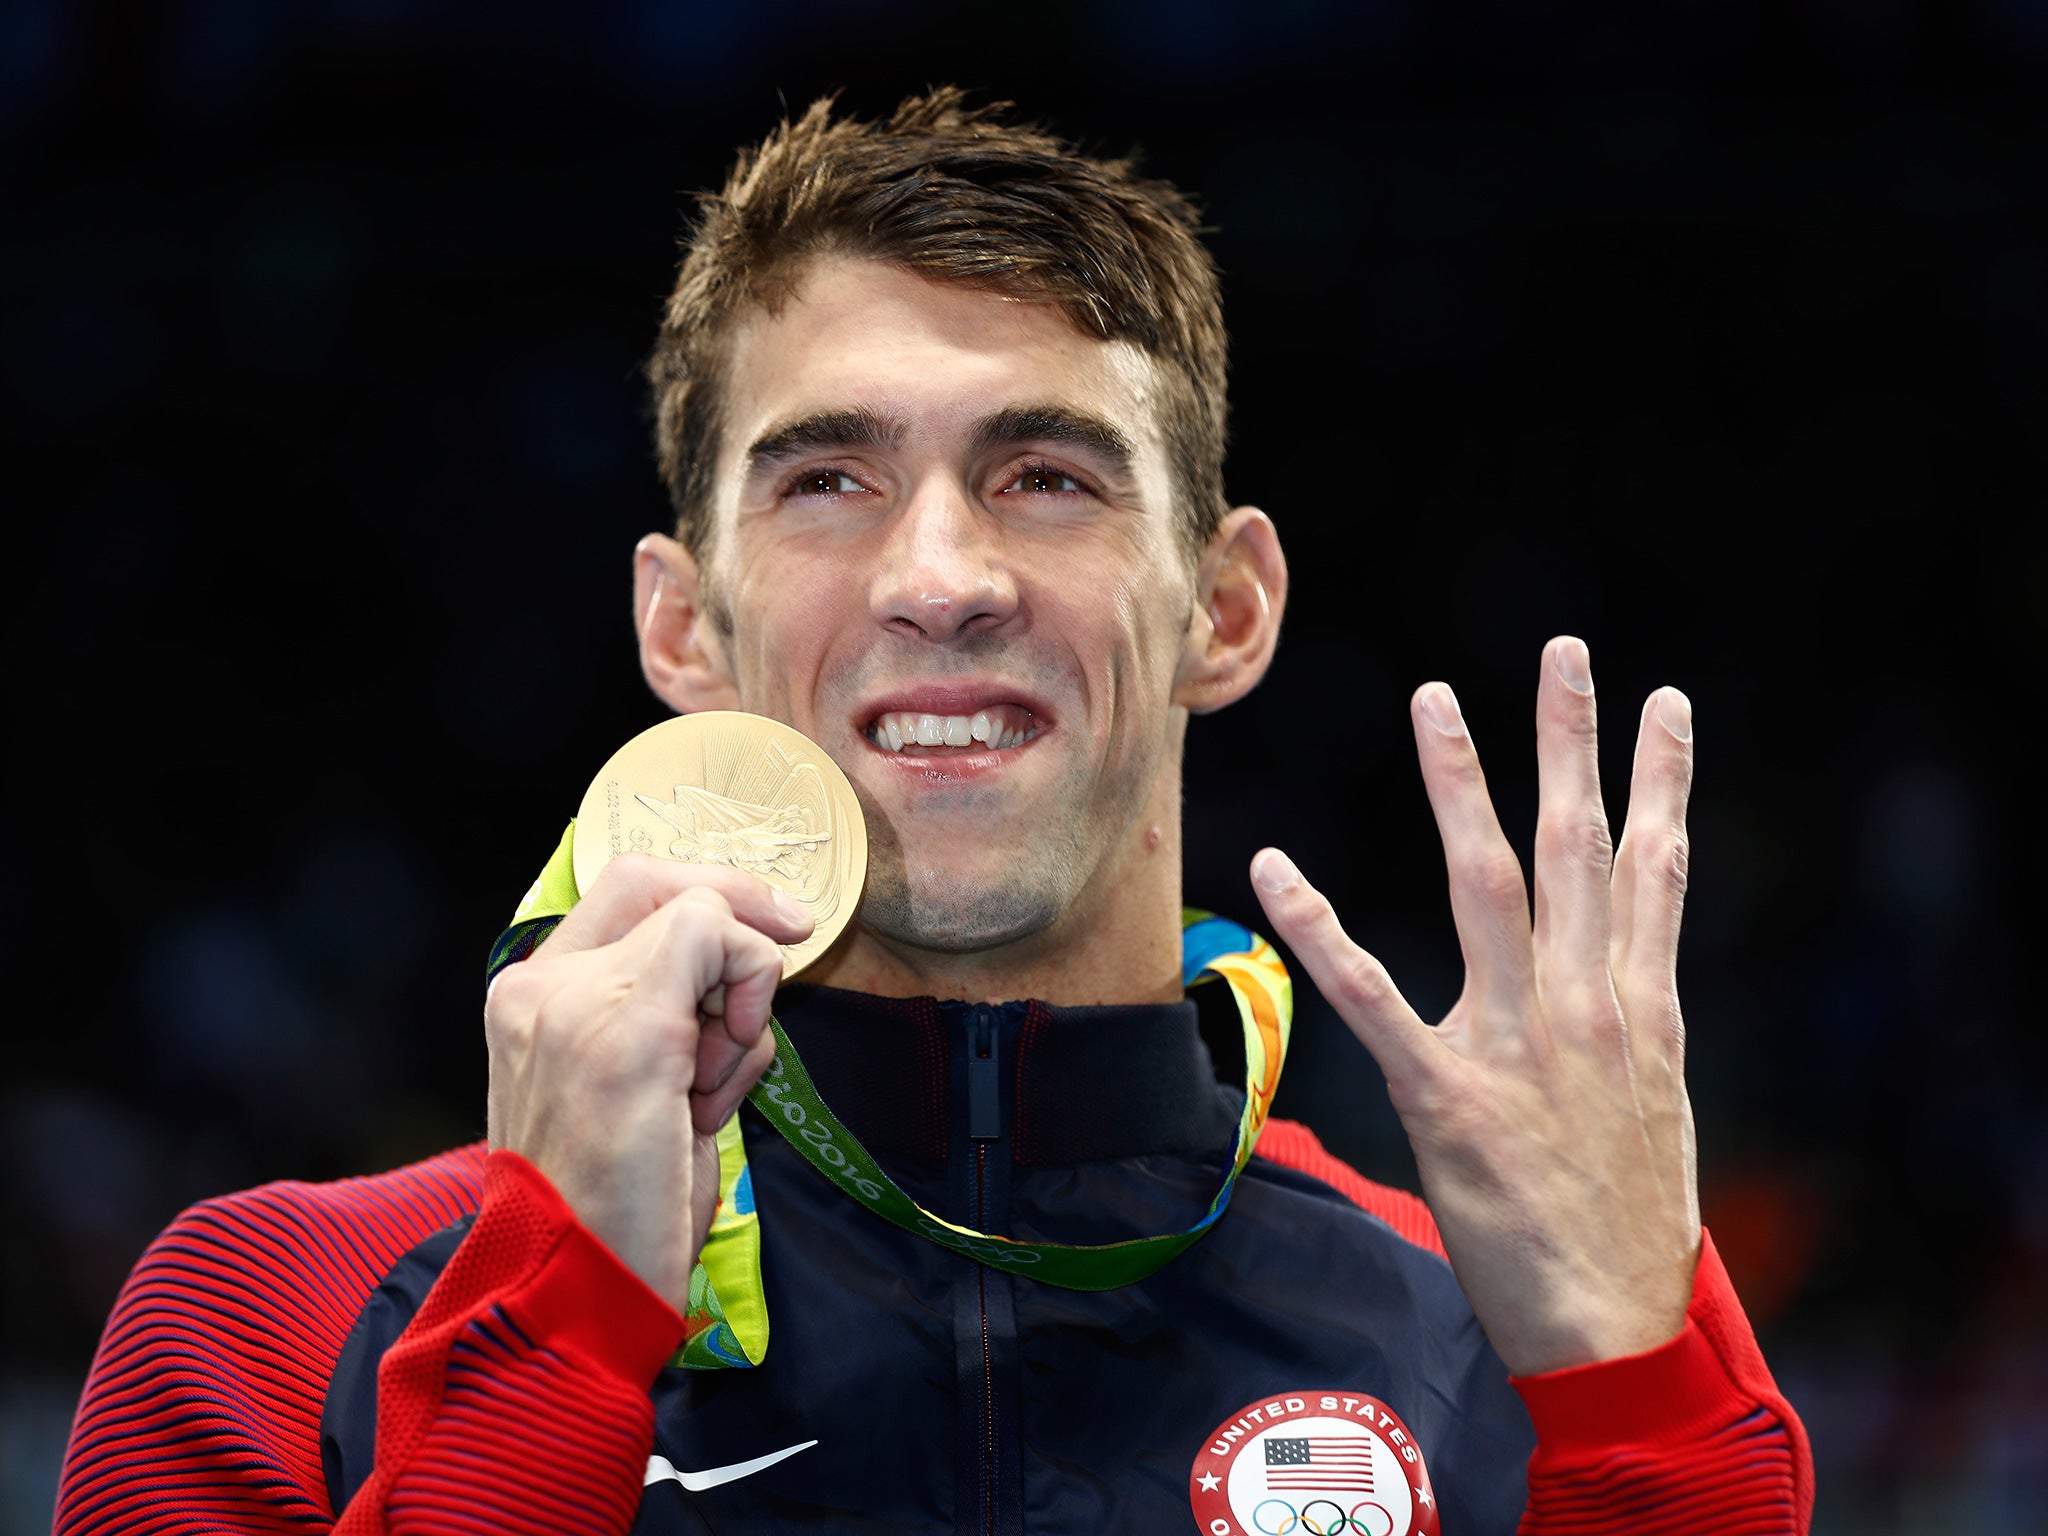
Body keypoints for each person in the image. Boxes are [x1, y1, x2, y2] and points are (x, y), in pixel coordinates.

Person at [57, 89, 1811, 1536]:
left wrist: (1651, 1403)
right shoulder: (282, 1317)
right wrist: (553, 1320)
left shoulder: (1507, 1344)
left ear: (1225, 610)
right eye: (831, 479)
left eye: (1043, 475)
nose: (945, 577)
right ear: (684, 622)